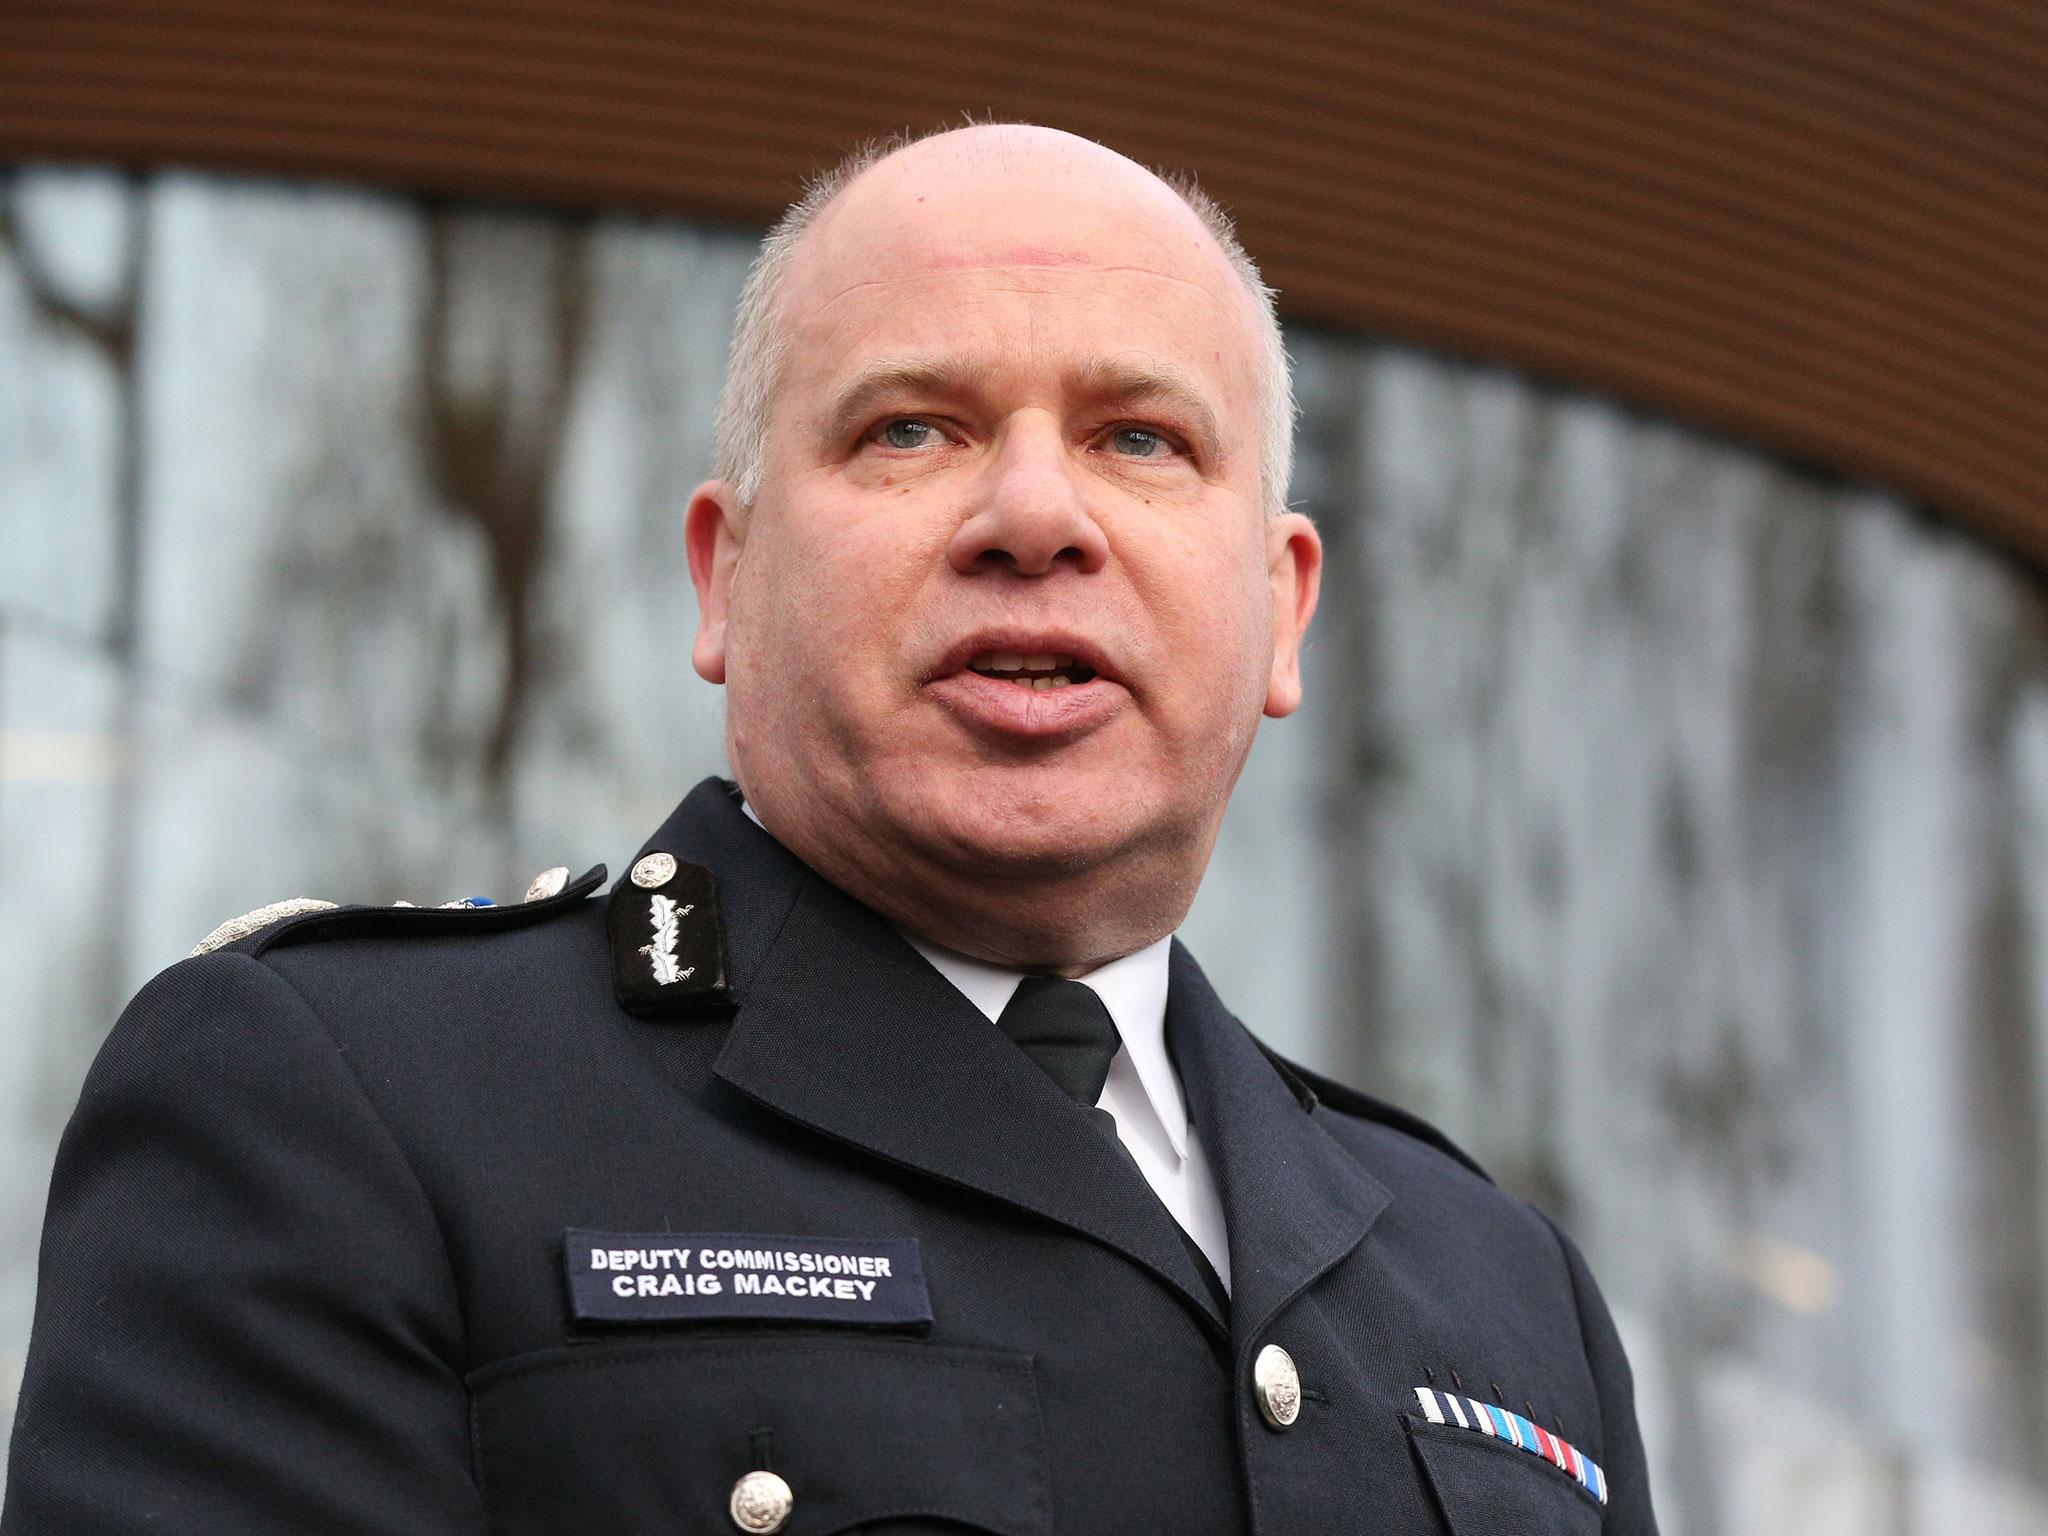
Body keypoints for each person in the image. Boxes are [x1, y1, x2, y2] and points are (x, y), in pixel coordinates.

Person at [3, 124, 1656, 1534]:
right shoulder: (351, 1103)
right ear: (728, 575)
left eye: (1139, 439)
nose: (1033, 516)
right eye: (911, 429)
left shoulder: (1502, 1289)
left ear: (1283, 608)